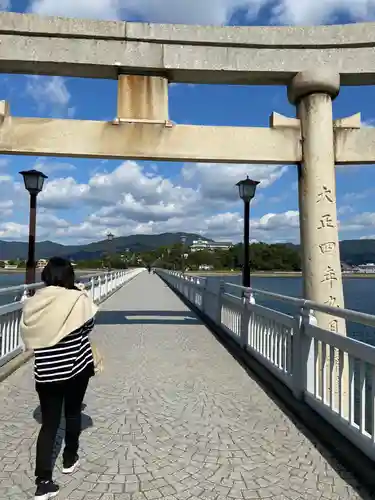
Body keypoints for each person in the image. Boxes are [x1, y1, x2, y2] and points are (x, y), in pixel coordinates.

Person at [20, 257, 98, 500]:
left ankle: (43, 481)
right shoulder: (77, 299)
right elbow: (87, 328)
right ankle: (68, 458)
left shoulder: (33, 301)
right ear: (69, 276)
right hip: (77, 366)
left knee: (49, 424)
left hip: (47, 371)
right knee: (73, 413)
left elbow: (29, 334)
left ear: (46, 276)